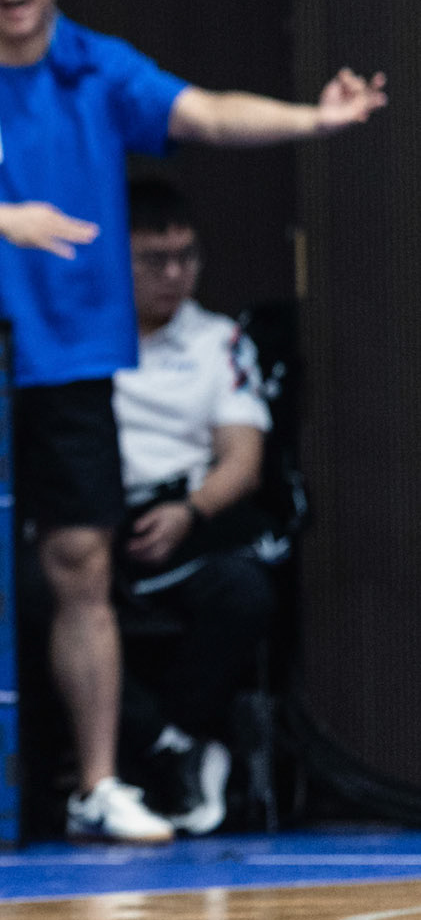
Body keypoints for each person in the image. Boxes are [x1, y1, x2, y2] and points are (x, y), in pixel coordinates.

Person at [0, 0, 385, 844]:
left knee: (81, 568)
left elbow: (209, 112)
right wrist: (0, 221)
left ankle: (97, 783)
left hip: (66, 359)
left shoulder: (97, 68)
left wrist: (315, 116)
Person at [112, 177, 277, 834]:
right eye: (154, 260)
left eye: (186, 257)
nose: (174, 275)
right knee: (28, 597)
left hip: (186, 519)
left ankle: (176, 736)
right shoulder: (79, 339)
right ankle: (166, 750)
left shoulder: (218, 341)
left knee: (243, 591)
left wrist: (190, 512)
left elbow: (241, 457)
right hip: (94, 526)